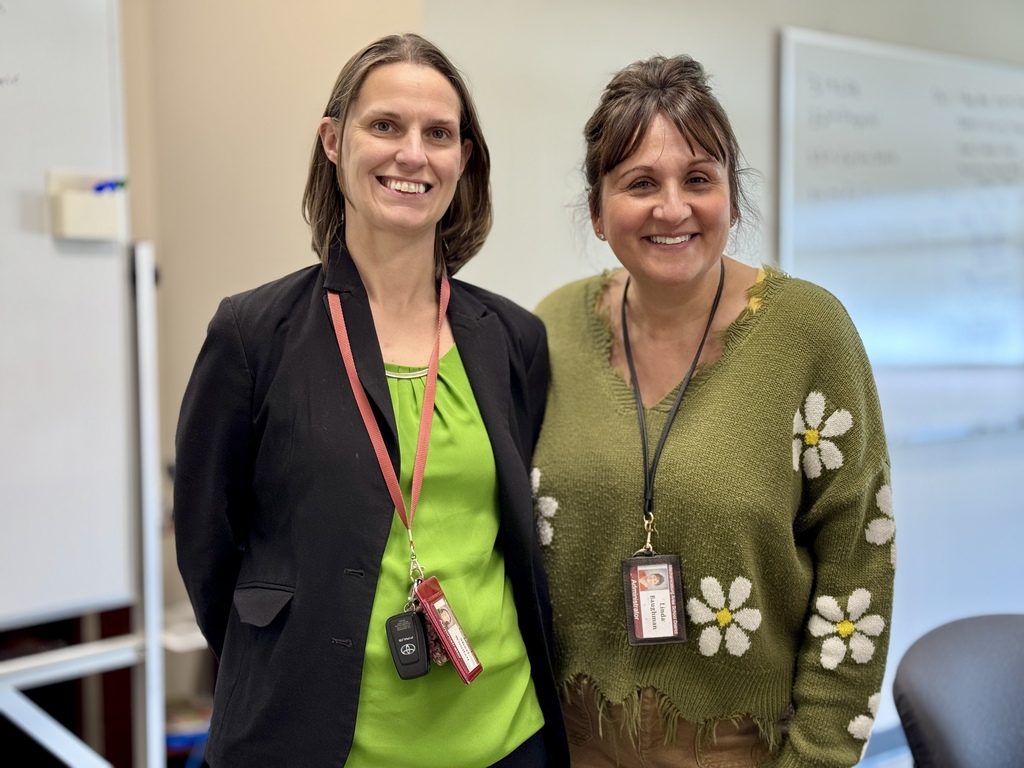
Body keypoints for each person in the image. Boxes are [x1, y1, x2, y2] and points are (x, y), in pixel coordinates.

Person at [174, 33, 568, 768]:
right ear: (333, 140)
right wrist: (277, 661)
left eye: (439, 134)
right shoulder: (253, 334)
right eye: (385, 125)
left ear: (464, 159)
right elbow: (207, 544)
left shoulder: (512, 338)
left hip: (507, 736)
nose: (412, 154)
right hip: (315, 741)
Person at [531, 54, 895, 767]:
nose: (673, 207)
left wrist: (819, 757)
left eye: (699, 178)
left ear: (731, 195)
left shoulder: (810, 333)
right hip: (566, 740)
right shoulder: (550, 331)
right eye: (641, 183)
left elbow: (858, 563)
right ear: (600, 211)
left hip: (740, 747)